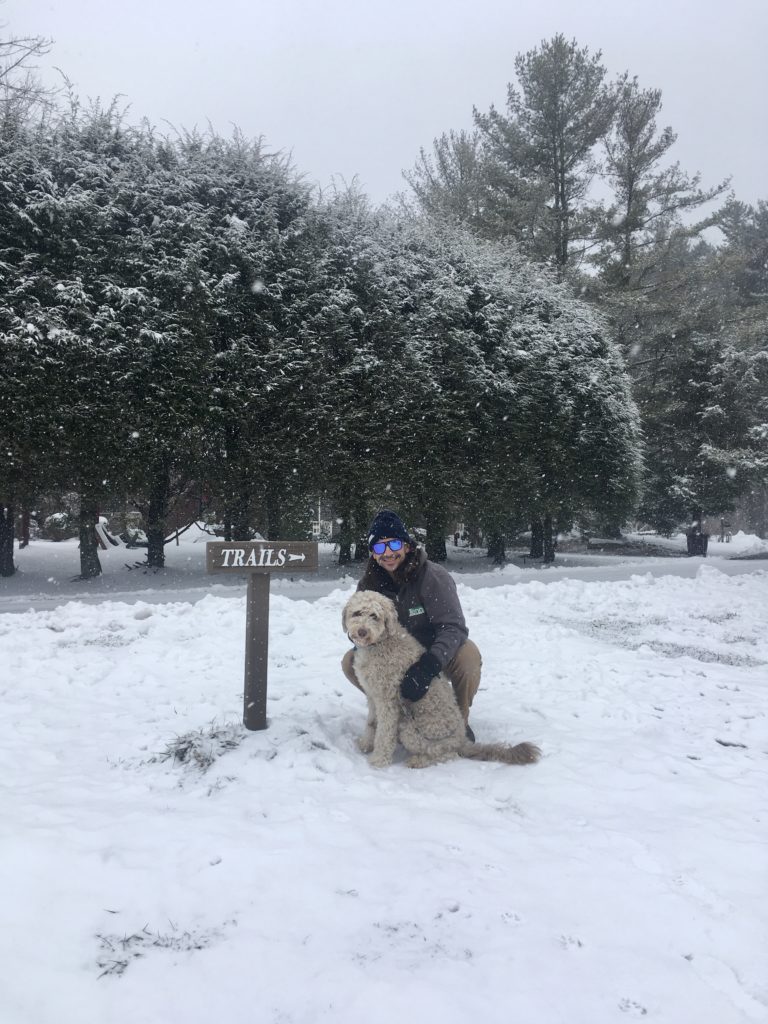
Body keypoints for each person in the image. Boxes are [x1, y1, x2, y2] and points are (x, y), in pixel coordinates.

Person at [341, 509, 482, 739]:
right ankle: (395, 710)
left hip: (435, 649)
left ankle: (458, 720)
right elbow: (355, 622)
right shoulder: (369, 583)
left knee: (469, 658)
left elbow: (453, 627)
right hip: (394, 653)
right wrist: (360, 637)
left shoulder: (433, 577)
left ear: (407, 546)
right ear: (373, 554)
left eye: (394, 545)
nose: (388, 553)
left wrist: (427, 667)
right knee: (351, 661)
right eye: (380, 547)